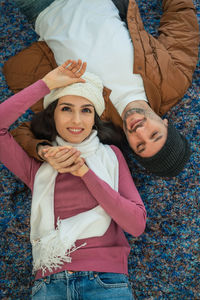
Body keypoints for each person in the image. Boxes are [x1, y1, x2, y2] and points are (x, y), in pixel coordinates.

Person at [0, 59, 146, 299]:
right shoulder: (37, 169)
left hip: (106, 281)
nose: (77, 121)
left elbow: (136, 224)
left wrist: (85, 173)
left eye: (86, 110)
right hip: (49, 285)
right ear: (53, 115)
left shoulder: (111, 157)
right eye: (66, 108)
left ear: (94, 118)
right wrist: (45, 85)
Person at [4, 0, 199, 177]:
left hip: (43, 8)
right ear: (165, 124)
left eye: (139, 145)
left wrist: (43, 152)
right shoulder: (175, 81)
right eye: (154, 134)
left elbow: (22, 132)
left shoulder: (93, 125)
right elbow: (181, 21)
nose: (140, 131)